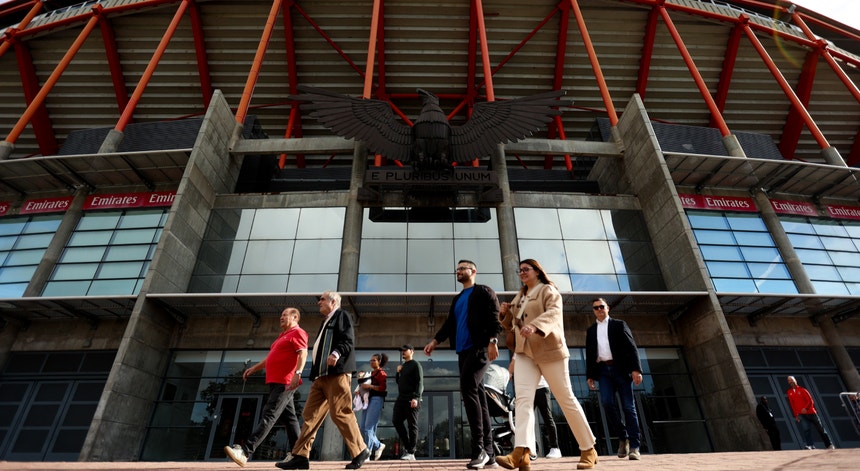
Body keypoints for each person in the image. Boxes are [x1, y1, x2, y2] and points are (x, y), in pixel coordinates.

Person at [497, 259, 598, 471]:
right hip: (525, 353)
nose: (522, 273)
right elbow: (513, 324)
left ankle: (588, 448)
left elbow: (553, 313)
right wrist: (504, 314)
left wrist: (534, 326)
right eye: (520, 270)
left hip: (550, 352)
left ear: (537, 271)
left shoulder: (548, 290)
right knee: (523, 400)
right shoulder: (520, 295)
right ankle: (521, 452)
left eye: (526, 269)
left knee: (565, 398)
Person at [278, 291, 370, 470]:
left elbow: (348, 339)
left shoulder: (341, 315)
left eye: (322, 299)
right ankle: (300, 456)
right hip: (320, 377)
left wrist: (336, 353)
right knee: (310, 416)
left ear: (333, 301)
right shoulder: (325, 321)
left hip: (336, 374)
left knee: (340, 413)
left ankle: (360, 451)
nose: (319, 302)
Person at [424, 259, 501, 469]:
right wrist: (435, 341)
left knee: (468, 390)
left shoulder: (484, 291)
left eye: (462, 269)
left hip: (479, 348)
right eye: (456, 270)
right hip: (463, 352)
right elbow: (450, 324)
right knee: (478, 395)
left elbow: (495, 317)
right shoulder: (457, 299)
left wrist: (493, 341)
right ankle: (490, 453)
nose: (458, 272)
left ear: (473, 271)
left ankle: (479, 449)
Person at [224, 307, 308, 467]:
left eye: (284, 315)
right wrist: (254, 368)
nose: (281, 318)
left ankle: (245, 451)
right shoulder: (281, 337)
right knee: (289, 419)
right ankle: (300, 457)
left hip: (286, 381)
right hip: (276, 381)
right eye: (280, 315)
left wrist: (298, 372)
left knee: (269, 414)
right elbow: (270, 358)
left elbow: (303, 353)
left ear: (295, 317)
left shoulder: (298, 333)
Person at [585, 297, 643, 461]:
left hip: (621, 370)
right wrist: (590, 375)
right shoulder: (591, 330)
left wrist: (636, 369)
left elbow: (631, 347)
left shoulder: (619, 324)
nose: (599, 310)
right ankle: (622, 437)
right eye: (595, 308)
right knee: (607, 403)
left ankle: (634, 446)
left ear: (608, 308)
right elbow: (590, 354)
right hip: (603, 371)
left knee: (628, 408)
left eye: (601, 307)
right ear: (593, 311)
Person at [507, 356, 561, 459]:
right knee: (526, 418)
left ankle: (555, 448)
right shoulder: (520, 349)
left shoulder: (538, 346)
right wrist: (508, 374)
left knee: (547, 417)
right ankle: (528, 448)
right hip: (528, 390)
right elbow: (513, 362)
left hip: (541, 388)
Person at [786, 376, 835, 450]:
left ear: (795, 380)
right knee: (806, 430)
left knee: (820, 429)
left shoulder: (803, 390)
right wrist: (796, 415)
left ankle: (829, 445)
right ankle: (810, 445)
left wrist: (806, 408)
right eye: (789, 381)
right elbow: (792, 404)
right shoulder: (789, 392)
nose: (791, 381)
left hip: (811, 413)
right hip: (801, 415)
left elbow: (810, 400)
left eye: (792, 380)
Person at [393, 344, 423, 460]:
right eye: (402, 351)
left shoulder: (416, 365)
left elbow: (420, 382)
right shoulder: (403, 366)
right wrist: (397, 372)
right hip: (401, 398)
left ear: (412, 351)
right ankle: (408, 447)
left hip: (412, 398)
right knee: (396, 420)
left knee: (412, 425)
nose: (403, 352)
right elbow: (398, 382)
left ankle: (411, 452)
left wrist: (416, 397)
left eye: (405, 350)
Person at [358, 353, 388, 461]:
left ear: (379, 361)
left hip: (376, 400)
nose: (371, 362)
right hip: (368, 400)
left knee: (368, 428)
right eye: (370, 360)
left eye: (374, 360)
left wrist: (370, 386)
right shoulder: (370, 373)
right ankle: (379, 445)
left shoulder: (382, 373)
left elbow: (383, 388)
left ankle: (367, 453)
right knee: (363, 427)